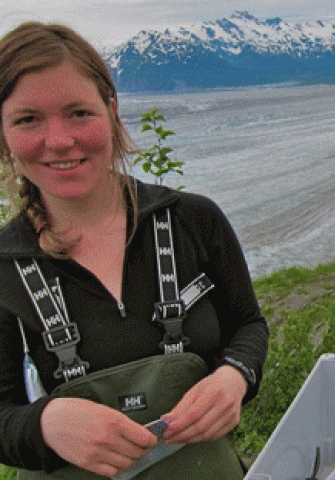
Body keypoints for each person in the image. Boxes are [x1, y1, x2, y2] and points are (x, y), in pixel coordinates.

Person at [0, 21, 269, 479]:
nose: (60, 140)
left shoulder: (194, 221)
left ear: (112, 111)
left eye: (79, 113)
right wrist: (43, 425)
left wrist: (234, 376)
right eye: (28, 119)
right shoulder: (4, 268)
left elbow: (247, 325)